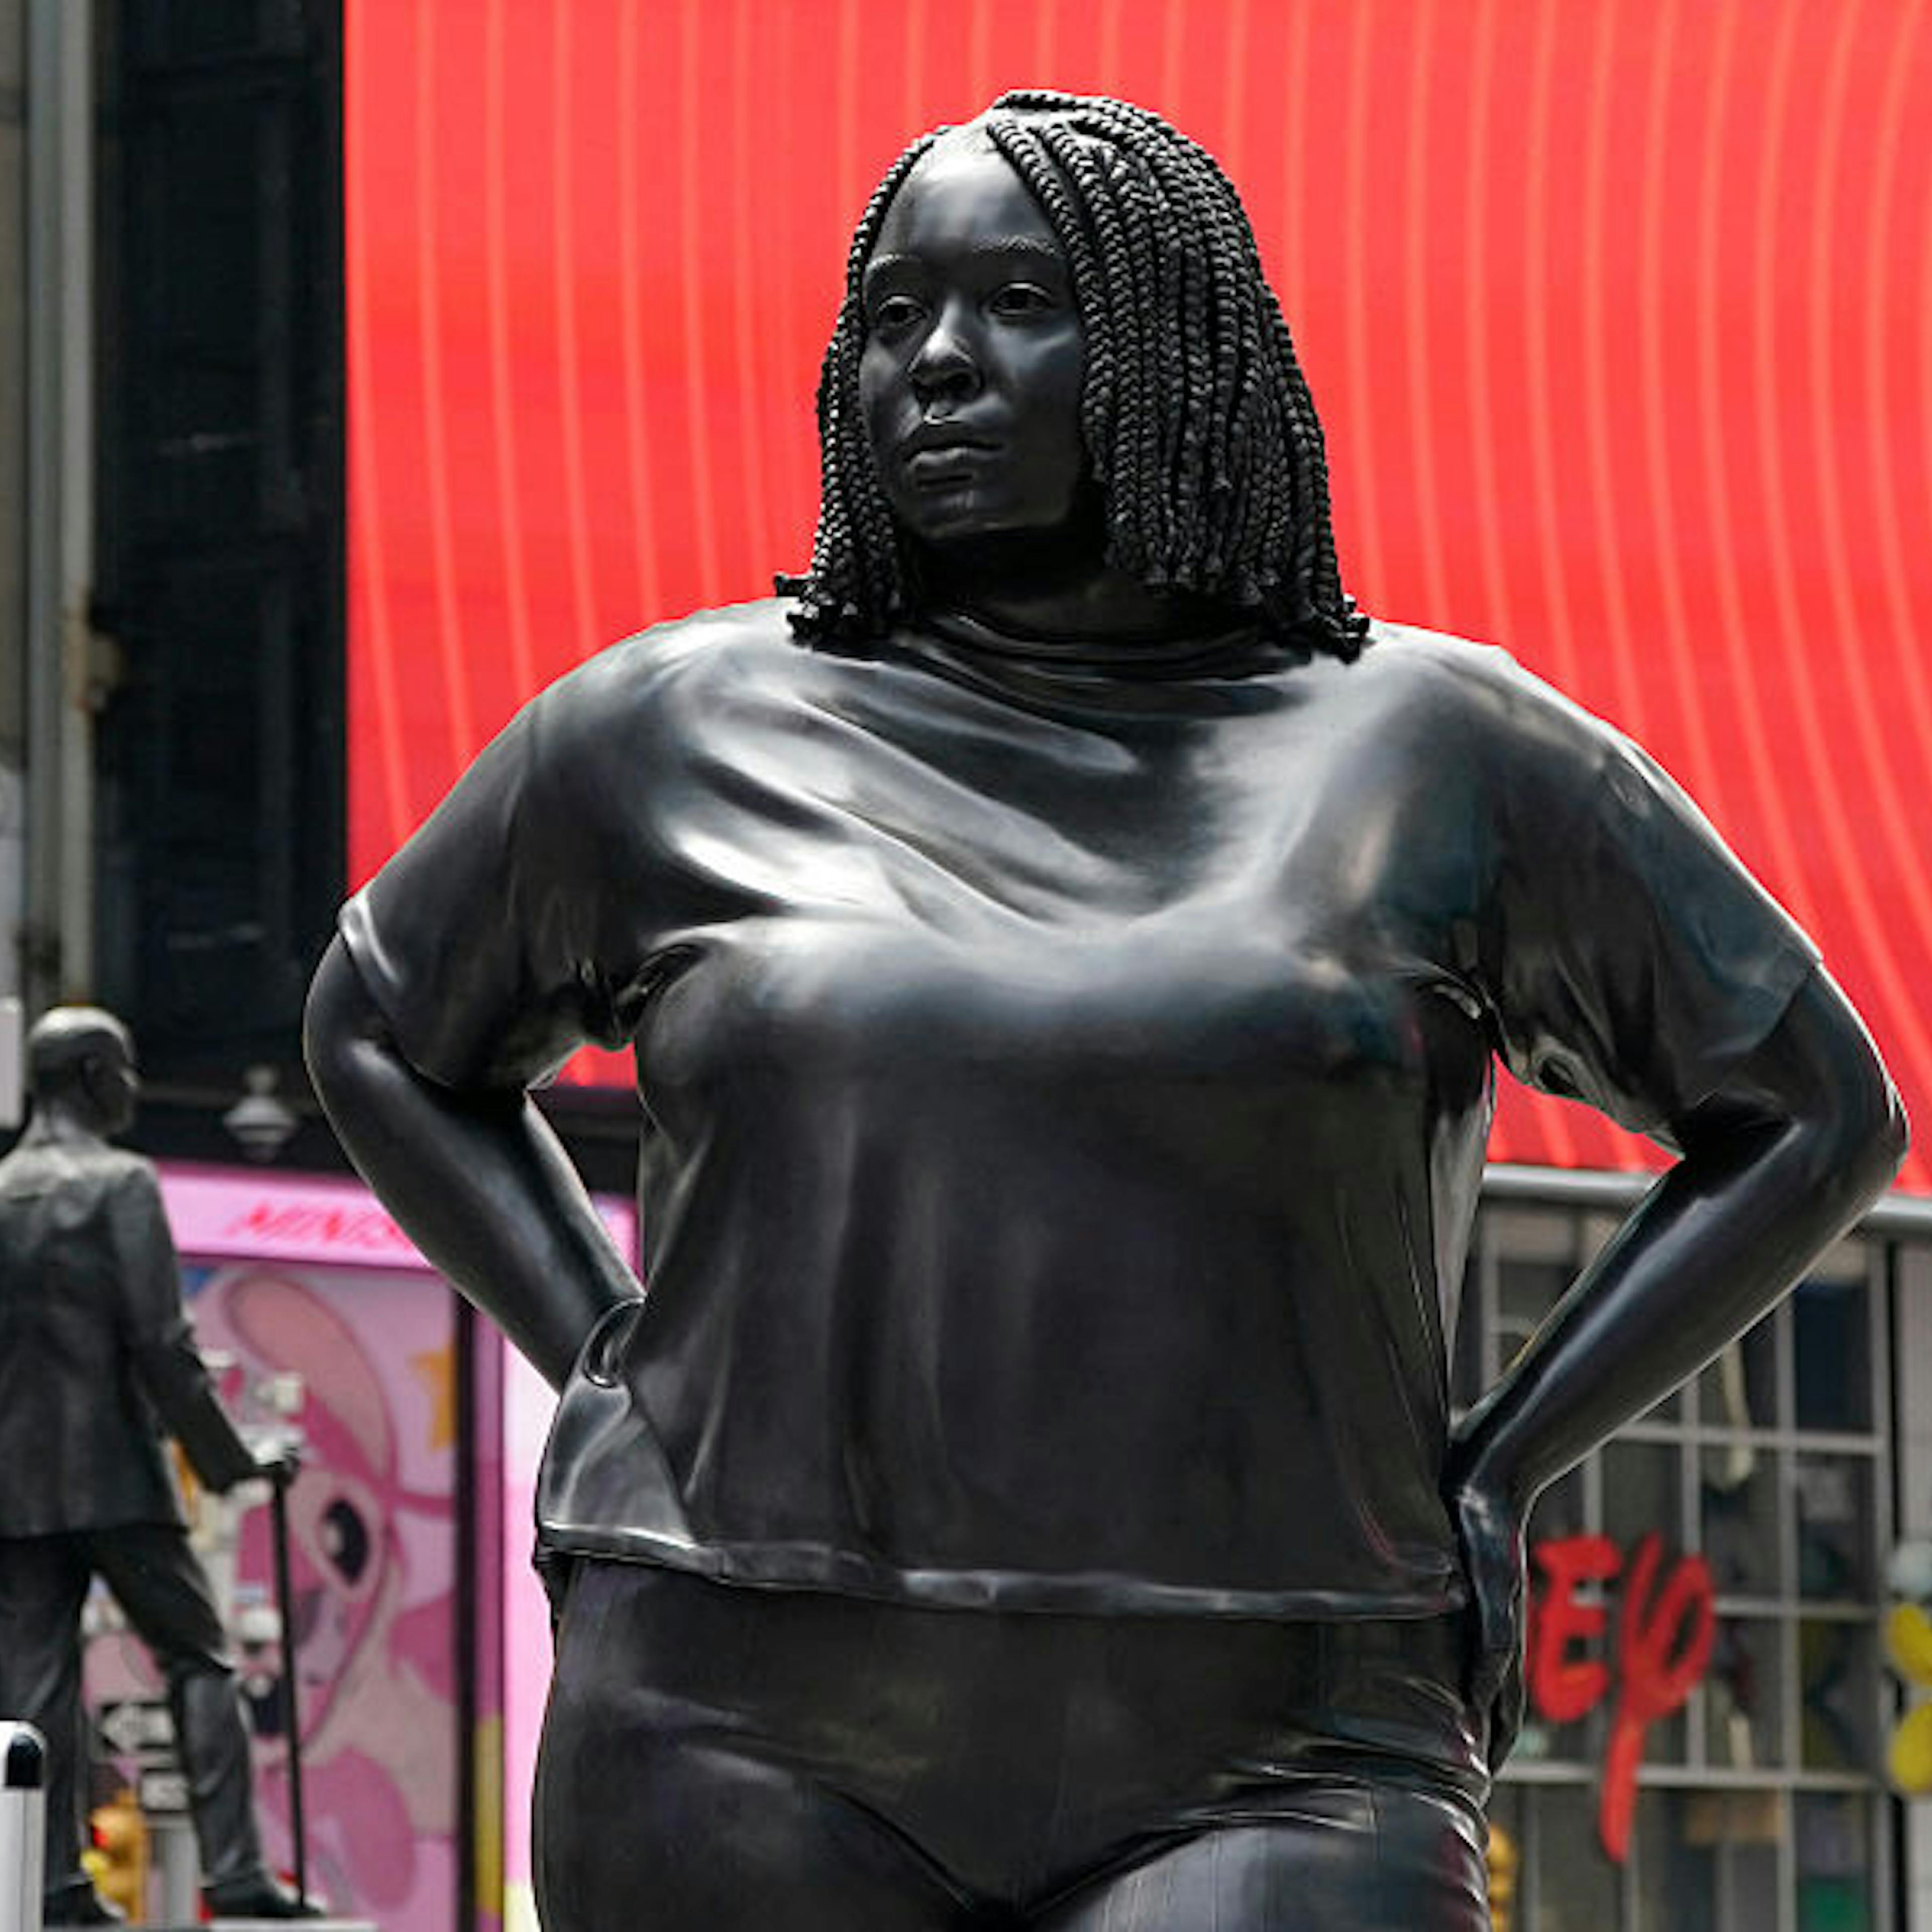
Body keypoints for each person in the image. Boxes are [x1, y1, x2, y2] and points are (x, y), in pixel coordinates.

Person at [304, 92, 1905, 1931]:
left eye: (1017, 303)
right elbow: (380, 1031)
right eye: (893, 317)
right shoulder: (666, 728)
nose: (938, 365)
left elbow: (1813, 1117)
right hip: (732, 1717)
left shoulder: (1445, 751)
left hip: (1287, 1734)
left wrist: (1507, 1458)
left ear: (1177, 343)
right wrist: (603, 1349)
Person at [0, 1007, 319, 1924]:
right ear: (94, 1075)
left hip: (16, 1492)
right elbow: (162, 1348)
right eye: (125, 1070)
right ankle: (238, 1875)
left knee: (35, 1683)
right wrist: (233, 1463)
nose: (134, 1089)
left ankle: (48, 1886)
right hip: (114, 1481)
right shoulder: (121, 1184)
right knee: (200, 1657)